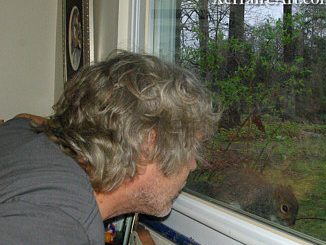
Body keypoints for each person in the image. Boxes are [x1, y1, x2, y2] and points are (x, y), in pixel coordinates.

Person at [0, 51, 220, 244]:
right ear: (149, 144)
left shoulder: (24, 135)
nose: (192, 164)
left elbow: (22, 119)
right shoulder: (63, 224)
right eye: (190, 149)